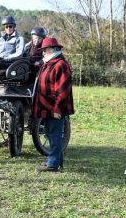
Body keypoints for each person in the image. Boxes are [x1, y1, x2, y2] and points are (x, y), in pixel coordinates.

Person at [34, 37, 74, 172]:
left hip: (55, 108)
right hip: (46, 107)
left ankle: (52, 164)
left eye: (44, 51)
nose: (43, 53)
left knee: (54, 134)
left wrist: (58, 108)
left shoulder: (61, 65)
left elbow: (63, 90)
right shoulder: (49, 64)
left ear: (51, 50)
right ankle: (58, 161)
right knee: (50, 134)